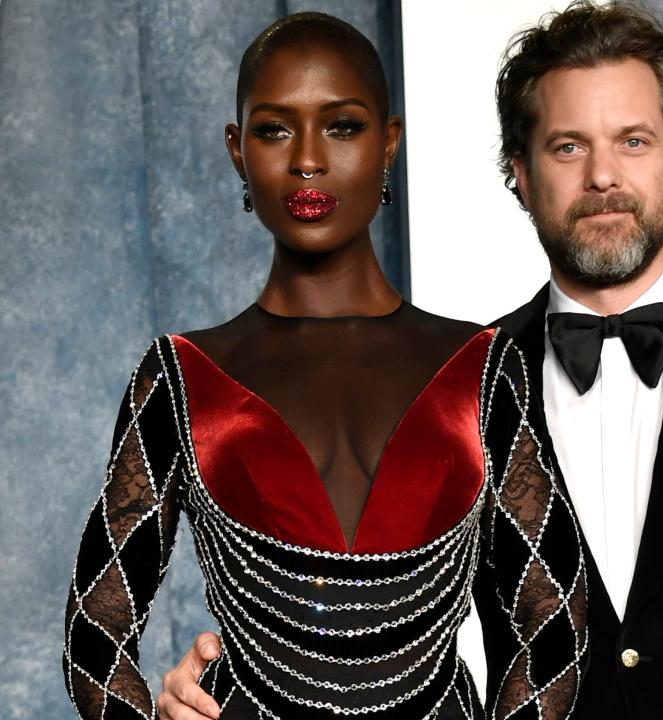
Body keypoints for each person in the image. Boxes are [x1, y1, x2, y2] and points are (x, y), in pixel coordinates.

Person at [158, 2, 663, 718]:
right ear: (520, 172)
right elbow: (354, 620)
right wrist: (215, 684)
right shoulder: (454, 379)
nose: (603, 176)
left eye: (632, 141)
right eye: (569, 146)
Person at [62, 13, 587, 720]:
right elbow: (94, 634)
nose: (307, 159)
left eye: (341, 126)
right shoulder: (182, 375)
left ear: (388, 143)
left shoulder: (481, 367)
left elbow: (554, 618)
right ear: (236, 150)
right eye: (274, 129)